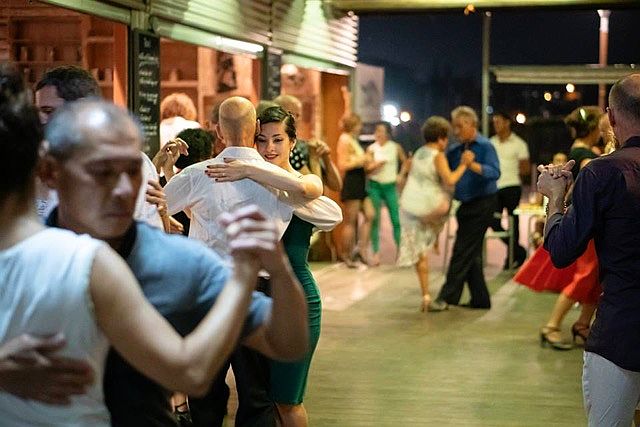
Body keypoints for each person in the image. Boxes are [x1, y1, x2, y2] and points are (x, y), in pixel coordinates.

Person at [0, 63, 307, 426]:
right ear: (51, 174)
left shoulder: (178, 263)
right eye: (100, 171)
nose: (120, 189)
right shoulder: (27, 259)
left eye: (131, 170)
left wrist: (278, 270)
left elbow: (285, 342)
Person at [164, 96, 340, 427]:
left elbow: (157, 208)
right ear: (255, 128)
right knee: (257, 396)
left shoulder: (199, 174)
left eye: (278, 140)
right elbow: (315, 197)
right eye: (266, 138)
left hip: (207, 292)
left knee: (205, 391)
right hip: (254, 292)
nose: (270, 146)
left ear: (217, 129)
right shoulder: (277, 181)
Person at [539, 74, 640, 425]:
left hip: (621, 331)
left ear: (611, 117)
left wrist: (554, 198)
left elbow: (563, 249)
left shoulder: (602, 172)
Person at [34, 64, 168, 230]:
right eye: (40, 111)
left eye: (48, 111)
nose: (42, 119)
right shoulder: (36, 160)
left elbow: (143, 231)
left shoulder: (127, 160)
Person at [428, 106, 500, 312]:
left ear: (472, 125)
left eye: (460, 126)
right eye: (454, 127)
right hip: (465, 205)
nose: (456, 131)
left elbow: (495, 173)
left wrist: (473, 165)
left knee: (462, 249)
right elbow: (445, 173)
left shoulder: (486, 146)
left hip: (483, 203)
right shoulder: (453, 150)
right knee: (471, 252)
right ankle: (480, 299)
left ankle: (447, 297)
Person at [396, 116, 470, 311]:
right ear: (441, 138)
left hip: (409, 206)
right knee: (447, 202)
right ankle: (434, 235)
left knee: (420, 254)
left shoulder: (419, 152)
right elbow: (450, 179)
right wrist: (464, 164)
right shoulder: (438, 155)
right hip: (429, 206)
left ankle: (426, 296)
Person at [274, 94, 342, 192]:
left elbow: (336, 186)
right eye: (290, 114)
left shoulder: (306, 147)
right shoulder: (271, 149)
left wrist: (326, 158)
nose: (295, 119)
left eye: (298, 115)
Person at [489, 111, 529, 268]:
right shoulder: (491, 142)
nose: (496, 125)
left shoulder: (519, 143)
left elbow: (525, 168)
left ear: (507, 123)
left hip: (512, 185)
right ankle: (518, 251)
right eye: (494, 122)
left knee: (514, 221)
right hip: (495, 186)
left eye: (499, 121)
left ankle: (511, 257)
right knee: (493, 221)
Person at [337, 113, 377, 267]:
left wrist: (371, 163)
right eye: (359, 124)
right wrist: (364, 158)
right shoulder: (345, 139)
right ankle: (346, 255)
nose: (361, 127)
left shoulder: (353, 140)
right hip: (352, 181)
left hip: (360, 181)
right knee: (350, 221)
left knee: (369, 214)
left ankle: (361, 249)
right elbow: (343, 164)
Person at [366, 121, 407, 265]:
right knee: (374, 219)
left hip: (390, 186)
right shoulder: (371, 149)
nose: (379, 134)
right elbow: (368, 167)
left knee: (395, 218)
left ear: (388, 133)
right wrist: (376, 164)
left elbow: (406, 162)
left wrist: (401, 175)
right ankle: (376, 253)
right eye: (377, 131)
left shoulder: (395, 147)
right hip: (375, 185)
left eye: (382, 131)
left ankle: (401, 251)